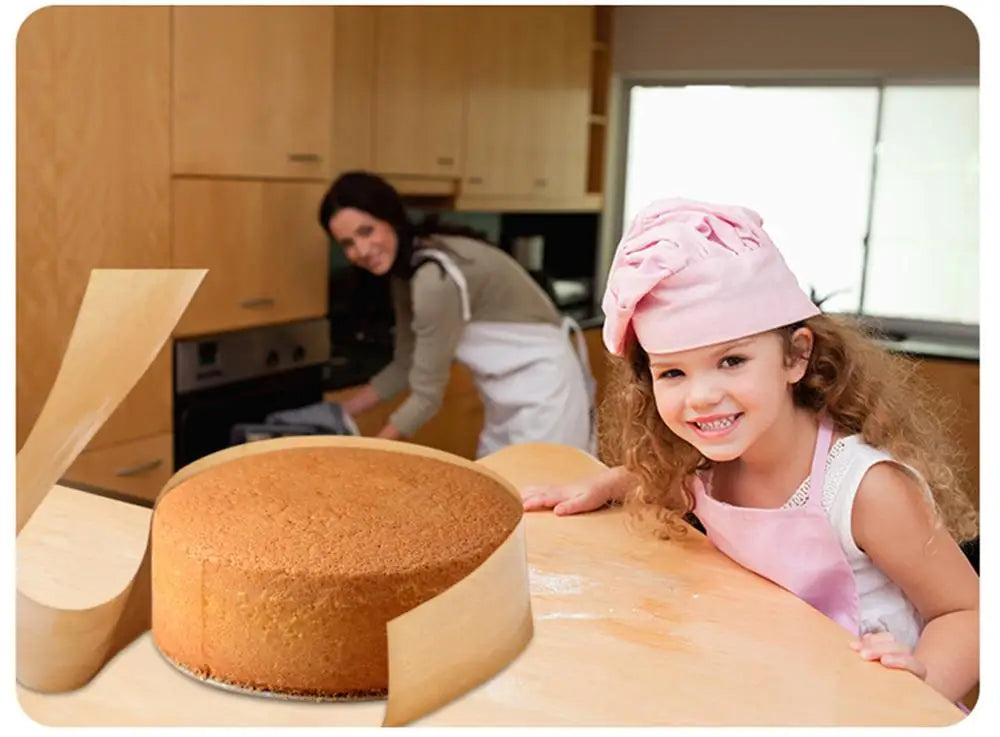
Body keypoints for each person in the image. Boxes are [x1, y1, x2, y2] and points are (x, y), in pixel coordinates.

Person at [522, 198, 979, 705]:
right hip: (775, 687)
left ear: (796, 356)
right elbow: (664, 474)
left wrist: (918, 696)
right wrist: (608, 481)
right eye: (673, 372)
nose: (700, 397)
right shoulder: (702, 463)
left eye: (732, 360)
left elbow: (969, 613)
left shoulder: (867, 491)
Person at [315, 171, 595, 458]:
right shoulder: (407, 271)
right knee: (500, 490)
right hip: (504, 394)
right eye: (347, 243)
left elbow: (427, 396)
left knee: (543, 491)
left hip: (546, 390)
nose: (360, 249)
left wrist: (366, 452)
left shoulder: (432, 279)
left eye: (366, 231)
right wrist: (337, 412)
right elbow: (405, 366)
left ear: (390, 218)